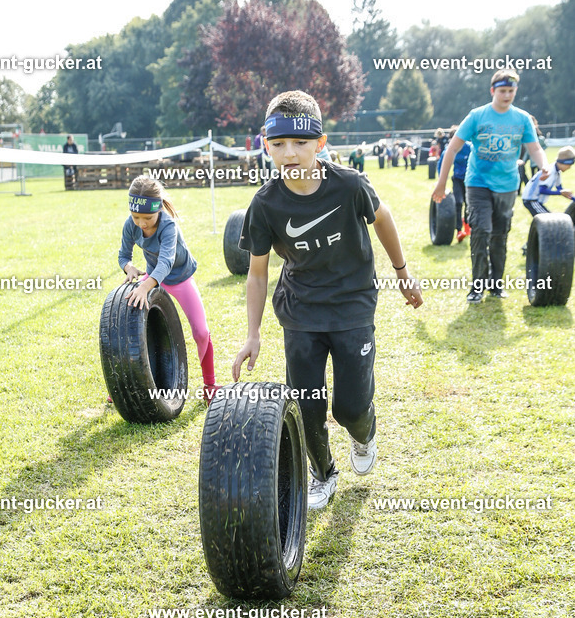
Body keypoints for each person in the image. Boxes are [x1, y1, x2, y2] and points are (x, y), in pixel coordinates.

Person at [232, 89, 423, 511]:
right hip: (300, 311)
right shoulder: (264, 204)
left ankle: (363, 430)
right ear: (267, 146)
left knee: (349, 405)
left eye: (300, 143)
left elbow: (383, 218)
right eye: (279, 144)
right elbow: (258, 273)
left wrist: (402, 272)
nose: (290, 154)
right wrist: (252, 334)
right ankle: (322, 472)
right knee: (307, 404)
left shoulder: (349, 184)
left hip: (353, 305)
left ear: (320, 143)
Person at [432, 68, 548, 302]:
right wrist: (441, 182)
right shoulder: (477, 116)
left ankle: (495, 285)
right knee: (481, 231)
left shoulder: (522, 118)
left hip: (507, 186)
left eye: (511, 91)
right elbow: (452, 148)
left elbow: (534, 148)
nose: (507, 95)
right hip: (478, 183)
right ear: (492, 90)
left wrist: (543, 165)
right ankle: (477, 286)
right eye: (503, 91)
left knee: (499, 234)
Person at [118, 176, 219, 403]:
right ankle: (124, 385)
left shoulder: (168, 226)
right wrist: (130, 268)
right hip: (152, 278)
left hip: (178, 278)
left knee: (201, 332)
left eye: (147, 218)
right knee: (132, 328)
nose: (142, 223)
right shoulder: (130, 225)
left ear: (158, 208)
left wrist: (145, 285)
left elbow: (166, 261)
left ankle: (210, 385)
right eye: (136, 217)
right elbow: (123, 255)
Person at [521, 146, 575, 246]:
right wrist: (560, 193)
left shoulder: (557, 172)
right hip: (531, 200)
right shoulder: (550, 171)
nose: (570, 168)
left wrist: (573, 198)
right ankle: (531, 246)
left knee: (548, 223)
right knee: (549, 223)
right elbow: (543, 190)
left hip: (536, 201)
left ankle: (529, 245)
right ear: (565, 162)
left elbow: (560, 189)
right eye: (570, 164)